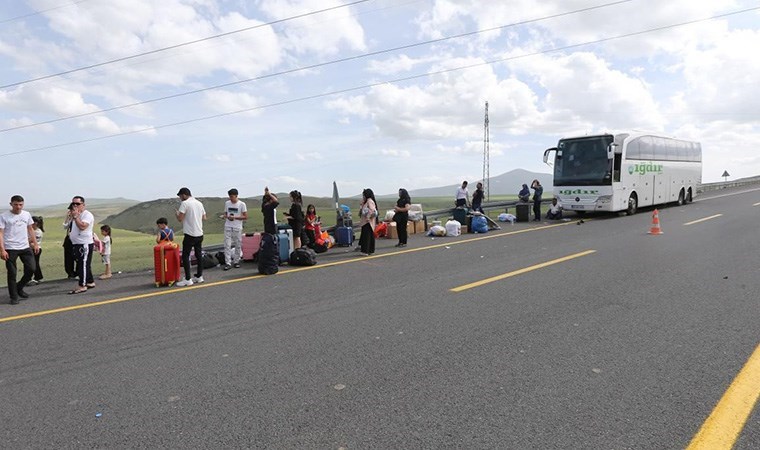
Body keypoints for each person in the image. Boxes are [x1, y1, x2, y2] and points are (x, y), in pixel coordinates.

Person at [0, 196, 40, 304]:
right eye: (16, 204)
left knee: (31, 269)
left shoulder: (26, 214)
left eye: (20, 204)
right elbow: (1, 233)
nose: (18, 207)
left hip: (25, 246)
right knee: (12, 273)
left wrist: (35, 244)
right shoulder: (4, 216)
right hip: (10, 248)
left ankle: (19, 287)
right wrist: (2, 250)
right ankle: (14, 297)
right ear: (11, 204)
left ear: (23, 204)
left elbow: (30, 229)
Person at [175, 187, 207, 287]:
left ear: (184, 195)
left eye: (180, 196)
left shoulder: (185, 203)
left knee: (185, 256)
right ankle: (199, 276)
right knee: (198, 255)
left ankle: (188, 279)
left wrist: (177, 214)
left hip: (189, 234)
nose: (180, 198)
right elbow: (204, 217)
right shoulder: (199, 203)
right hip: (199, 233)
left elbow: (180, 219)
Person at [65, 196, 95, 294]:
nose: (75, 206)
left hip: (84, 243)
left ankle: (82, 285)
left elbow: (82, 226)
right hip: (76, 243)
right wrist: (70, 217)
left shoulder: (87, 215)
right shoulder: (75, 215)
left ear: (83, 205)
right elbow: (66, 226)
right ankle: (90, 281)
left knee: (83, 264)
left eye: (77, 204)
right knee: (84, 263)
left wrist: (76, 217)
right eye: (73, 203)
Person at [222, 188, 248, 270]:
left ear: (236, 196)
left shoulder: (242, 204)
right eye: (230, 197)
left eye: (232, 197)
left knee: (238, 244)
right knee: (227, 245)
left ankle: (236, 261)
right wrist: (225, 217)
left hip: (237, 227)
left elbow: (245, 216)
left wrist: (235, 218)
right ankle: (228, 262)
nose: (231, 198)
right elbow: (226, 213)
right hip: (228, 226)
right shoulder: (227, 203)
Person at [357, 188, 377, 256]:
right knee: (369, 236)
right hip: (366, 221)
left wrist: (368, 217)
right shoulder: (365, 201)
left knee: (367, 236)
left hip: (367, 222)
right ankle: (370, 250)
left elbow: (372, 210)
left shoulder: (369, 201)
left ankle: (365, 251)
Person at [29, 216, 44, 285]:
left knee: (35, 264)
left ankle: (38, 277)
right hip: (30, 249)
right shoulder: (31, 230)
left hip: (36, 249)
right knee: (32, 263)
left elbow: (30, 241)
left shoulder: (38, 232)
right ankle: (36, 277)